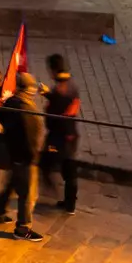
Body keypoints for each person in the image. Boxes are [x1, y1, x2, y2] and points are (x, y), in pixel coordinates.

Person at [0, 72, 45, 241]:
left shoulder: (10, 102)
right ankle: (23, 228)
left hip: (12, 154)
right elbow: (31, 138)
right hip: (25, 157)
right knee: (28, 194)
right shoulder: (26, 109)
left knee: (13, 183)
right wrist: (34, 158)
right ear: (29, 89)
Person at [41, 53, 82, 215]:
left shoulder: (60, 89)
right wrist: (47, 94)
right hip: (71, 134)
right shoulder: (70, 85)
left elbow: (55, 111)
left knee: (47, 163)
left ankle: (52, 190)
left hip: (60, 136)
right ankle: (69, 203)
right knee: (69, 169)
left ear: (52, 69)